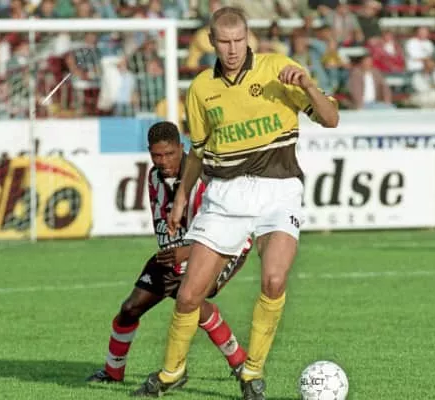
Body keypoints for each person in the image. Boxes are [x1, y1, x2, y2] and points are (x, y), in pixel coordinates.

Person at [133, 6, 339, 399]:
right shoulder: (201, 89)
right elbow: (197, 153)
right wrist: (180, 201)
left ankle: (252, 372)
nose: (232, 49)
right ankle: (172, 372)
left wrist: (309, 86)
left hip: (279, 190)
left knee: (274, 280)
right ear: (211, 41)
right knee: (189, 295)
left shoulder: (278, 69)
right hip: (225, 195)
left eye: (239, 41)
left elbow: (331, 119)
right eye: (224, 42)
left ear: (249, 38)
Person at [86, 121, 251, 386]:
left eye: (169, 154)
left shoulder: (206, 178)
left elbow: (229, 228)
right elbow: (164, 225)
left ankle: (237, 364)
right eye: (157, 155)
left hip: (228, 247)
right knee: (130, 308)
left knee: (191, 298)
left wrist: (187, 253)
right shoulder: (154, 177)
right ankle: (113, 373)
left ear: (181, 147)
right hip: (179, 251)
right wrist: (175, 254)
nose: (163, 161)